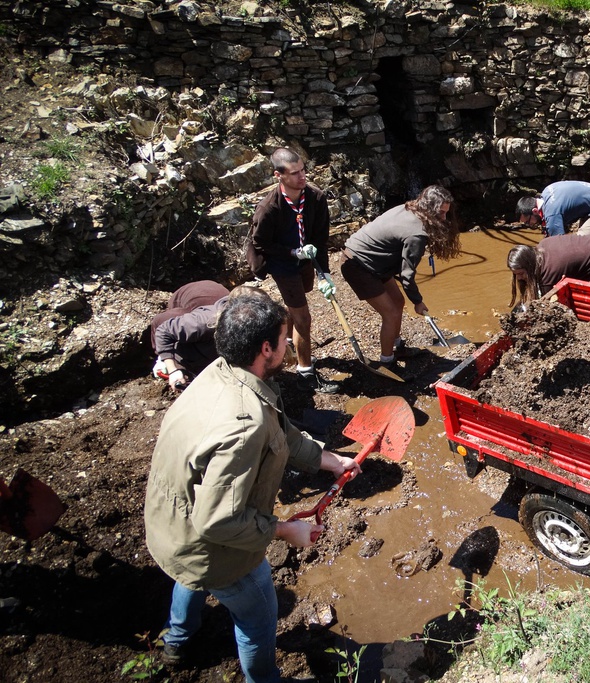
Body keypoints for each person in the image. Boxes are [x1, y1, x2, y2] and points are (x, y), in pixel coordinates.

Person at [144, 291, 361, 683]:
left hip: (172, 528)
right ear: (266, 348)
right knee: (259, 618)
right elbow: (218, 523)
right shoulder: (243, 425)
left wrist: (333, 461)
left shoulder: (222, 373)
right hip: (215, 545)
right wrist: (283, 530)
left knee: (190, 577)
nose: (289, 345)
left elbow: (284, 434)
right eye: (284, 339)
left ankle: (176, 641)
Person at [338, 185, 461, 370]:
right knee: (391, 313)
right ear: (428, 208)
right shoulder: (417, 234)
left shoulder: (410, 207)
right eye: (440, 213)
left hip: (377, 261)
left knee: (398, 301)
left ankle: (398, 346)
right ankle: (387, 362)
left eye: (446, 213)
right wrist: (418, 302)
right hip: (358, 265)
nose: (444, 219)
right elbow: (407, 276)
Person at [250, 147, 338, 394]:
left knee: (297, 302)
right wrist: (291, 252)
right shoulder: (268, 208)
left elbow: (320, 237)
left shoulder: (316, 198)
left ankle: (287, 342)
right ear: (279, 175)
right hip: (282, 263)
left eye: (303, 170)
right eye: (294, 173)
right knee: (303, 318)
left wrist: (325, 272)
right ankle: (306, 371)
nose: (302, 177)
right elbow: (261, 243)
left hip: (306, 260)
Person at [150, 280, 229, 390]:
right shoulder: (199, 323)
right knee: (174, 331)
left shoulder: (240, 318)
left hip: (213, 293)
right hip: (184, 296)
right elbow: (161, 327)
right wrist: (169, 364)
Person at [507, 234, 590, 309]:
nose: (519, 278)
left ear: (529, 266)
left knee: (583, 305)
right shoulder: (543, 244)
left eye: (521, 274)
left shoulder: (548, 273)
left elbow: (543, 303)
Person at [516, 180, 590, 236]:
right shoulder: (546, 193)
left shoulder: (552, 214)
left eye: (528, 221)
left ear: (535, 211)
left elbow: (560, 246)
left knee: (579, 245)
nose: (529, 225)